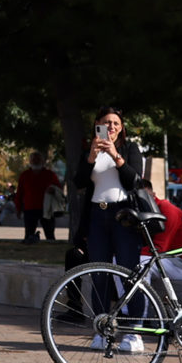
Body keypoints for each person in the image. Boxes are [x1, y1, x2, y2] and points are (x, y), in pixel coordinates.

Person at [70, 108, 151, 278]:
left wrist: (115, 155)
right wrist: (91, 157)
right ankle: (101, 306)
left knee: (129, 274)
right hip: (96, 215)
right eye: (107, 122)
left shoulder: (130, 148)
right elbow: (79, 183)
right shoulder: (89, 151)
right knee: (99, 276)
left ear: (121, 128)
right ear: (97, 124)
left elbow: (134, 182)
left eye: (116, 123)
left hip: (124, 215)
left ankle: (133, 305)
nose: (112, 126)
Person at [14, 150, 61, 243]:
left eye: (38, 159)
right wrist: (18, 209)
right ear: (30, 161)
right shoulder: (25, 175)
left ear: (43, 161)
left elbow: (58, 189)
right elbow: (19, 193)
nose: (35, 161)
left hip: (47, 209)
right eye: (33, 159)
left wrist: (53, 190)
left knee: (50, 234)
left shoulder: (50, 175)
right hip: (29, 208)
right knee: (29, 234)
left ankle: (50, 251)